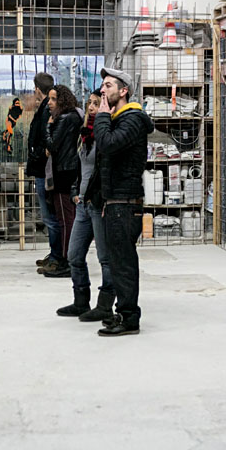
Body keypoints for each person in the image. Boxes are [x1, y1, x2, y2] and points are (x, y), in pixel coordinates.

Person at [85, 67, 154, 336]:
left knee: (123, 263)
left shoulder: (133, 119)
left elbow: (108, 144)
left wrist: (101, 116)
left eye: (109, 86)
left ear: (123, 91)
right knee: (118, 261)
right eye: (102, 85)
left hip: (125, 204)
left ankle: (129, 319)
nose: (103, 90)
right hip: (114, 202)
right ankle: (123, 313)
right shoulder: (119, 118)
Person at [56, 89, 116, 320]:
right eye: (89, 103)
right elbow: (79, 170)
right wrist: (74, 192)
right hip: (82, 205)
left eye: (95, 103)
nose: (91, 107)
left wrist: (100, 198)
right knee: (74, 255)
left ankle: (105, 305)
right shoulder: (84, 136)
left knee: (105, 258)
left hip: (98, 204)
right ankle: (80, 301)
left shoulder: (104, 135)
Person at [43, 85, 83, 278]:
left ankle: (67, 261)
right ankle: (68, 258)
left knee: (65, 219)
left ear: (62, 100)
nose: (49, 103)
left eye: (53, 99)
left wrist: (49, 126)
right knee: (68, 218)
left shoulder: (64, 119)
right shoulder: (76, 116)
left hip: (63, 173)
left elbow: (52, 145)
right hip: (70, 171)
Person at [26, 72, 62, 271]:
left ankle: (57, 256)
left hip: (45, 170)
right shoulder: (44, 109)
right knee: (49, 215)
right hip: (41, 168)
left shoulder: (48, 110)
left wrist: (37, 155)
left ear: (38, 89)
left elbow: (46, 141)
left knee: (50, 216)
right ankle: (54, 253)